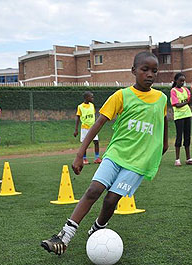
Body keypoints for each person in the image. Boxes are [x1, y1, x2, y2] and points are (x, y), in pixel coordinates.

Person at [41, 51, 168, 256]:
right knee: (94, 190)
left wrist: (163, 147)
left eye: (154, 71)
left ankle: (98, 228)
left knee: (111, 200)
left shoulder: (161, 99)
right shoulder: (121, 96)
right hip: (116, 154)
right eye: (145, 70)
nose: (150, 74)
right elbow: (98, 124)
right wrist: (80, 154)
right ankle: (63, 237)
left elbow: (163, 126)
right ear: (134, 71)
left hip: (138, 162)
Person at [170, 73, 192, 166]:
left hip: (187, 115)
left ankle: (188, 158)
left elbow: (190, 102)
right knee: (179, 137)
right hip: (179, 117)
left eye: (183, 81)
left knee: (187, 137)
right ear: (176, 80)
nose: (182, 82)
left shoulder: (185, 90)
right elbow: (177, 105)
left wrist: (191, 90)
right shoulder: (173, 91)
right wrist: (186, 102)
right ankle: (177, 159)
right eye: (180, 80)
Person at [74, 91, 102, 164]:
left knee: (96, 142)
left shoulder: (92, 105)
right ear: (86, 98)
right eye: (91, 97)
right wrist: (76, 129)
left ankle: (97, 158)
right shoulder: (80, 107)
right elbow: (77, 117)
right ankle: (84, 159)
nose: (92, 98)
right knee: (85, 143)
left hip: (93, 127)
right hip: (85, 128)